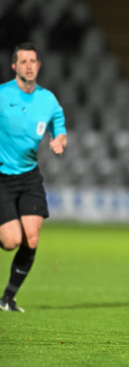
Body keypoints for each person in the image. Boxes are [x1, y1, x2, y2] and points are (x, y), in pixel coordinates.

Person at [0, 42, 67, 312]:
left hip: (29, 178)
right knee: (11, 241)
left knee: (32, 238)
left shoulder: (48, 100)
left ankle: (7, 299)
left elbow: (59, 128)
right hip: (2, 176)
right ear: (14, 66)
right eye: (23, 61)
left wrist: (60, 141)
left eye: (33, 61)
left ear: (39, 65)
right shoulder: (3, 95)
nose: (29, 65)